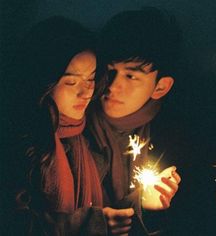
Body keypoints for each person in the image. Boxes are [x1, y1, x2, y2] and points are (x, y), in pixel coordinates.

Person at [85, 7, 184, 235]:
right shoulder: (77, 126)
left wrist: (149, 206)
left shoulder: (170, 136)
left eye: (131, 75)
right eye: (109, 70)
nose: (112, 85)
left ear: (160, 87)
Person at [5, 16, 107, 235]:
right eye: (71, 81)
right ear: (44, 82)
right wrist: (92, 222)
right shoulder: (21, 142)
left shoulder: (83, 137)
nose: (86, 91)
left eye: (90, 78)